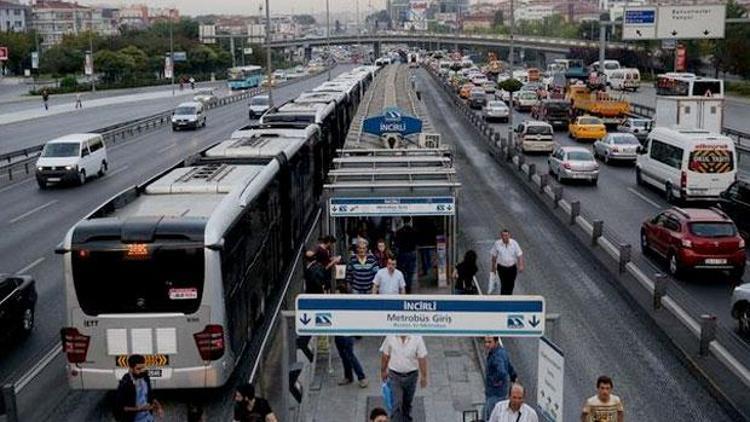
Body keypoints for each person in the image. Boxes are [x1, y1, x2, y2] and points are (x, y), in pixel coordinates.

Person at [380, 335, 428, 422]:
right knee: (397, 403)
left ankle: (406, 418)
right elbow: (385, 355)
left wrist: (424, 376)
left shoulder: (417, 338)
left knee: (407, 402)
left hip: (411, 376)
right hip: (395, 376)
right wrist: (383, 370)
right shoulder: (390, 337)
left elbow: (422, 358)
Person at [334, 284, 369, 388]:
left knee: (350, 356)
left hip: (347, 334)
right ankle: (348, 376)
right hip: (338, 333)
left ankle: (362, 377)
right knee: (344, 356)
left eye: (337, 293)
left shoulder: (349, 304)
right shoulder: (336, 303)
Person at [114, 354, 162, 422]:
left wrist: (158, 406)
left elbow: (150, 395)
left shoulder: (145, 376)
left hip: (148, 418)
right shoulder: (126, 383)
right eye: (138, 369)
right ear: (131, 369)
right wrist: (140, 409)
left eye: (143, 368)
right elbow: (121, 408)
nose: (142, 371)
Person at [484, 336, 517, 421]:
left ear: (496, 342)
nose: (487, 345)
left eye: (489, 342)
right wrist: (513, 376)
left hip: (494, 393)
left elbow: (502, 372)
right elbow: (509, 366)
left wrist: (494, 381)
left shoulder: (496, 356)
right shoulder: (502, 352)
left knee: (491, 416)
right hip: (501, 391)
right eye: (486, 342)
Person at [489, 229, 525, 295]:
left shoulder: (514, 243)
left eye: (506, 235)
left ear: (509, 235)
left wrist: (521, 265)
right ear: (501, 236)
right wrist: (493, 267)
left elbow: (520, 254)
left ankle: (509, 297)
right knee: (504, 283)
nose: (504, 237)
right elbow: (494, 256)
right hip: (502, 268)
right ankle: (503, 298)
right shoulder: (497, 244)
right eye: (503, 235)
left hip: (512, 267)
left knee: (511, 284)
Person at [395, 217, 417, 293]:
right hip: (412, 252)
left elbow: (397, 244)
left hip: (402, 253)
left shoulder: (399, 232)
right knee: (410, 272)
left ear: (403, 221)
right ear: (410, 221)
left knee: (403, 271)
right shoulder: (414, 231)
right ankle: (409, 288)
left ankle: (403, 287)